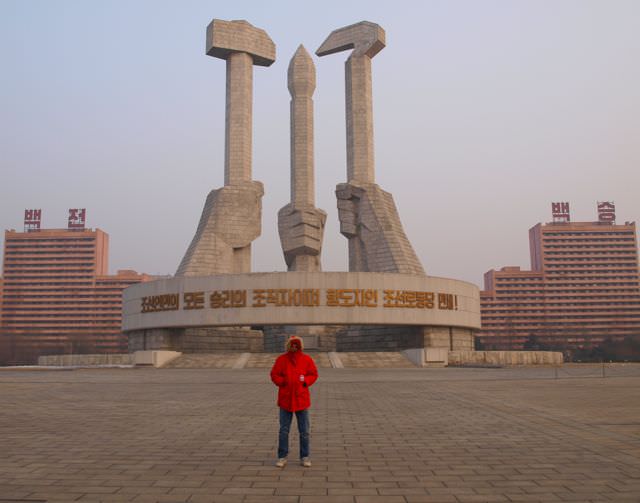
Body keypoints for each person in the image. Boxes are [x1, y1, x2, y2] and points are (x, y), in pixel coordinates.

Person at [270, 335, 318, 468]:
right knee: (284, 430)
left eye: (296, 345)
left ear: (300, 346)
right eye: (292, 344)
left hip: (301, 399)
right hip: (286, 400)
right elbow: (274, 374)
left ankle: (305, 456)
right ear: (289, 345)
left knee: (304, 431)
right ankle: (282, 456)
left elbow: (313, 374)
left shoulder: (306, 359)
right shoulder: (282, 359)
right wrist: (283, 381)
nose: (294, 347)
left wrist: (305, 381)